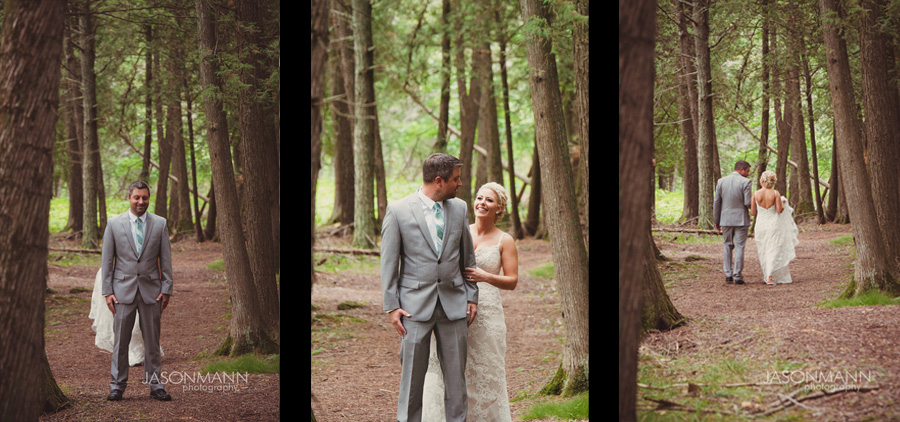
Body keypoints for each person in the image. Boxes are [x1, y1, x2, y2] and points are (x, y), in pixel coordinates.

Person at [381, 153, 479, 422]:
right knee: (411, 379)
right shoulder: (398, 211)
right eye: (455, 180)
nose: (459, 184)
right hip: (413, 309)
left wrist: (472, 296)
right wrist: (392, 307)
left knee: (456, 381)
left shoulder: (459, 208)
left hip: (455, 304)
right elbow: (389, 263)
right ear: (439, 181)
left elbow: (467, 258)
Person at [421, 182, 518, 421]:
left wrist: (485, 276)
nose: (482, 203)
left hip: (488, 312)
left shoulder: (505, 240)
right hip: (453, 306)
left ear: (499, 208)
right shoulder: (460, 229)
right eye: (479, 198)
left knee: (485, 369)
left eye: (489, 200)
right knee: (449, 366)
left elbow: (512, 280)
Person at [101, 181, 173, 401]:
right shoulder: (114, 224)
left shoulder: (160, 224)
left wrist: (167, 288)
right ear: (129, 198)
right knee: (120, 342)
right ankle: (117, 386)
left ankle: (155, 385)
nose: (141, 201)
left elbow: (166, 259)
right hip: (122, 291)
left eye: (144, 198)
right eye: (137, 197)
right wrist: (108, 291)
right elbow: (107, 260)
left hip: (152, 291)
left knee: (152, 341)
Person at [89, 267, 164, 366]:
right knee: (119, 317)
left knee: (139, 318)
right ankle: (126, 352)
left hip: (143, 277)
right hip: (117, 276)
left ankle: (140, 350)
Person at [750, 170, 799, 285]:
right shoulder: (776, 194)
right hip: (773, 224)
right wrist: (783, 202)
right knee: (773, 249)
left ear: (762, 180)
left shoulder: (755, 194)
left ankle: (768, 274)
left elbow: (752, 213)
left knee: (763, 250)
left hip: (761, 225)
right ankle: (769, 276)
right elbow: (779, 210)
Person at [714, 160, 753, 284]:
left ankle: (728, 275)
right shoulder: (746, 182)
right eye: (747, 171)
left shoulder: (721, 181)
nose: (748, 174)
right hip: (741, 220)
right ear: (741, 169)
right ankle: (737, 276)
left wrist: (716, 220)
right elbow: (747, 203)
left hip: (725, 219)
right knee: (740, 246)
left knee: (727, 245)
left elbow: (717, 202)